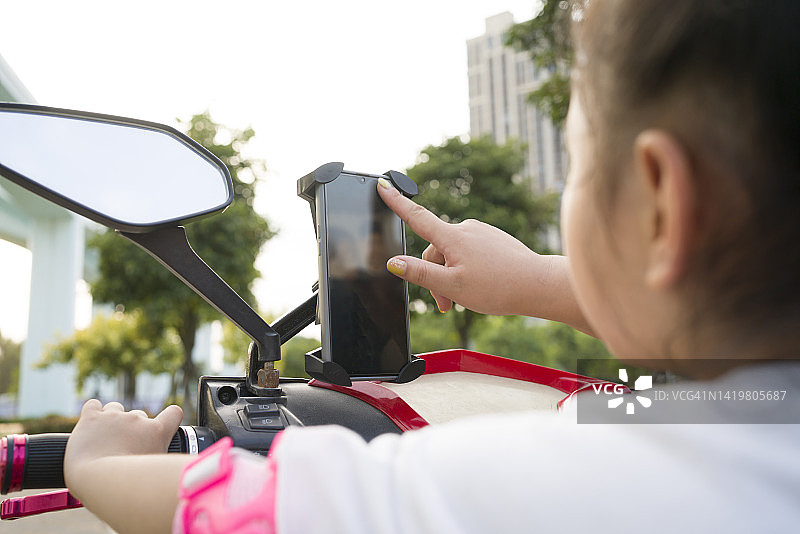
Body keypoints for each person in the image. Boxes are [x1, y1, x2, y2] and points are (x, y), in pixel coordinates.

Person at [63, 1, 800, 532]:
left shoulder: (558, 478)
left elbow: (257, 507)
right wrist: (538, 282)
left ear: (662, 205)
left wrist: (96, 468)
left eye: (578, 164)